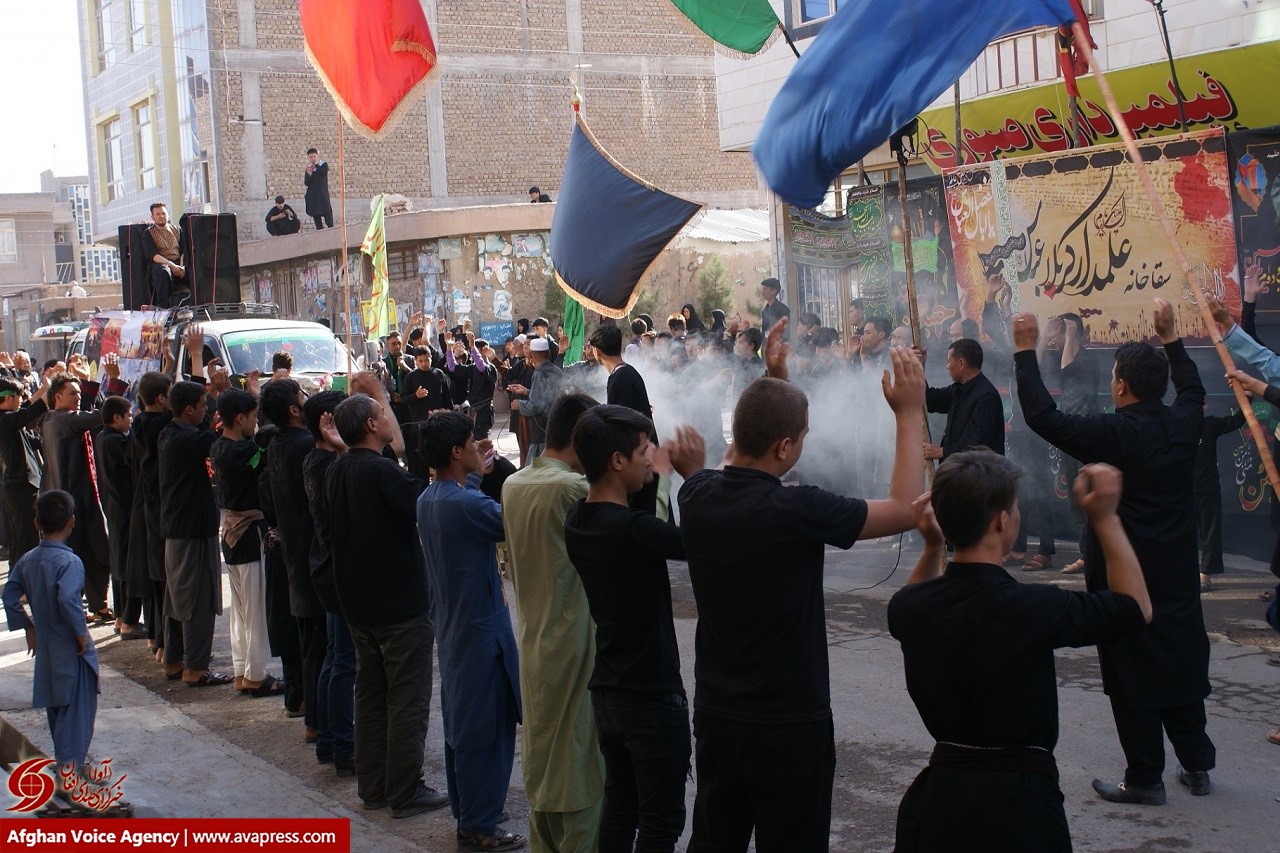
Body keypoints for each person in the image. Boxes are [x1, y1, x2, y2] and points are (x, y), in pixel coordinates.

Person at [678, 347, 926, 851]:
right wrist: (908, 412)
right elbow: (906, 508)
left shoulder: (696, 494)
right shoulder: (797, 509)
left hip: (718, 714)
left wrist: (775, 382)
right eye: (802, 437)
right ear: (786, 447)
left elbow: (733, 461)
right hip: (788, 722)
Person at [888, 454, 1152, 850]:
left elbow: (910, 602)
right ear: (1001, 521)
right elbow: (1136, 609)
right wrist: (1106, 519)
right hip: (1021, 808)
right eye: (1014, 507)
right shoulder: (1032, 608)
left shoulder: (911, 608)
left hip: (940, 804)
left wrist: (932, 547)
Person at [1013, 301, 1215, 805]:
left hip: (1124, 573)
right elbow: (1193, 389)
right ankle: (1197, 765)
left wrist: (1023, 352)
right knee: (1181, 658)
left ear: (1120, 386)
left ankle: (1145, 777)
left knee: (1130, 668)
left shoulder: (1112, 433)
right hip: (1177, 569)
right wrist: (1171, 339)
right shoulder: (1184, 422)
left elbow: (1041, 416)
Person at [565, 407, 706, 852]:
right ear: (617, 460)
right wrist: (688, 476)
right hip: (650, 696)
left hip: (609, 692)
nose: (652, 457)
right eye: (645, 450)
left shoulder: (578, 519)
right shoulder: (630, 529)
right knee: (661, 823)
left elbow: (644, 527)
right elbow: (688, 541)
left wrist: (655, 477)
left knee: (621, 809)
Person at [327, 388, 448, 818]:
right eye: (382, 412)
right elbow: (423, 503)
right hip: (397, 605)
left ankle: (375, 784)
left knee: (372, 694)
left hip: (359, 603)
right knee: (406, 698)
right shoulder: (379, 471)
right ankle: (404, 788)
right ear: (371, 425)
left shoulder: (339, 469)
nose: (388, 418)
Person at [416, 412, 526, 852]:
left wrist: (477, 473)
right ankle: (479, 824)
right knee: (487, 729)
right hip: (481, 631)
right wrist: (495, 472)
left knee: (463, 724)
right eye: (470, 442)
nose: (476, 447)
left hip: (454, 627)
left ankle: (470, 811)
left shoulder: (429, 498)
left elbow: (470, 503)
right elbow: (513, 520)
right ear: (456, 451)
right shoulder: (466, 505)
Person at [501, 393, 602, 851]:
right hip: (575, 641)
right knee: (580, 763)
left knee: (544, 755)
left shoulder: (514, 484)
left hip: (535, 640)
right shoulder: (572, 489)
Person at [3, 491, 101, 790]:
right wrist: (81, 634)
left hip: (46, 648)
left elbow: (9, 596)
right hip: (71, 648)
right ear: (72, 521)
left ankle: (67, 767)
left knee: (57, 713)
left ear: (36, 523)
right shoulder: (70, 562)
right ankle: (69, 777)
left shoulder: (27, 560)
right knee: (77, 714)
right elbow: (68, 599)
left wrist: (27, 627)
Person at [263, 379, 327, 743]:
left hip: (293, 551)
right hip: (309, 554)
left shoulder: (277, 443)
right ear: (293, 410)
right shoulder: (303, 445)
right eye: (302, 397)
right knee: (318, 643)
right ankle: (316, 720)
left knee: (308, 638)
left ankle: (306, 706)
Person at [158, 377, 232, 686]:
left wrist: (213, 393)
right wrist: (225, 395)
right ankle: (196, 667)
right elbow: (218, 435)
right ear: (189, 410)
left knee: (177, 598)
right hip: (193, 529)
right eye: (202, 406)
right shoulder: (188, 440)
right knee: (197, 599)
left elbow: (206, 430)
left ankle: (174, 660)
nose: (205, 411)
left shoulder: (169, 433)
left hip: (178, 527)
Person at [209, 389, 279, 697]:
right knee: (255, 609)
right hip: (249, 532)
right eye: (252, 417)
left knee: (240, 610)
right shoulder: (245, 452)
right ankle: (255, 674)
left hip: (231, 533)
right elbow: (261, 461)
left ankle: (243, 670)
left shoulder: (218, 446)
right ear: (240, 418)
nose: (255, 423)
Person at [301, 390, 356, 775]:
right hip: (335, 568)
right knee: (342, 661)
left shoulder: (317, 459)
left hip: (326, 565)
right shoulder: (325, 463)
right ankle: (341, 745)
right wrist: (343, 449)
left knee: (335, 657)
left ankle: (328, 740)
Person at [41, 367, 117, 624]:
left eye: (78, 392)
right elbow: (100, 415)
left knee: (94, 551)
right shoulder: (67, 420)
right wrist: (114, 382)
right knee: (77, 555)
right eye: (72, 393)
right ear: (57, 397)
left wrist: (89, 383)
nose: (77, 397)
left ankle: (98, 605)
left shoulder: (50, 419)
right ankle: (72, 607)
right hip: (73, 501)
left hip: (76, 498)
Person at [126, 370, 174, 661]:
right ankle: (167, 644)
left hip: (147, 507)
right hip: (162, 509)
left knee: (157, 579)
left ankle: (157, 638)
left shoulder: (139, 425)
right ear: (160, 399)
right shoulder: (163, 426)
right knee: (168, 579)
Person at [94, 394, 145, 638]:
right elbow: (134, 455)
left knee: (120, 564)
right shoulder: (116, 441)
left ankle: (120, 618)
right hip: (125, 509)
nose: (131, 421)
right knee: (129, 566)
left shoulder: (103, 437)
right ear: (117, 418)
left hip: (115, 509)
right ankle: (129, 621)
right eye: (129, 417)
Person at [923, 338, 1005, 460]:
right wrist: (919, 368)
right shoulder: (957, 389)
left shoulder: (986, 397)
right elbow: (929, 401)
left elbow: (977, 445)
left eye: (949, 361)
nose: (947, 366)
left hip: (980, 470)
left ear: (961, 363)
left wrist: (942, 452)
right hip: (958, 469)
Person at [0, 372, 49, 566]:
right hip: (20, 486)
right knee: (26, 540)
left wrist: (43, 389)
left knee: (21, 539)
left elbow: (27, 410)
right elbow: (31, 411)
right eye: (19, 397)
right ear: (8, 398)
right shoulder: (5, 420)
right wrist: (49, 391)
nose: (22, 401)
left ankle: (18, 579)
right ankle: (23, 581)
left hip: (21, 485)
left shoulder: (11, 420)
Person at [507, 336, 562, 461]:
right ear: (548, 353)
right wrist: (526, 391)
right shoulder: (556, 370)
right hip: (554, 425)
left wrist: (519, 404)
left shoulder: (538, 373)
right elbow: (547, 396)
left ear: (531, 355)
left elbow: (536, 406)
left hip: (541, 430)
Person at [402, 346, 452, 478]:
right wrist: (415, 396)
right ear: (416, 361)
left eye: (426, 360)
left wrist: (450, 415)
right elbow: (404, 398)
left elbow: (447, 398)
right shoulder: (411, 377)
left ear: (431, 358)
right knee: (419, 459)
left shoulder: (439, 374)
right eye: (421, 361)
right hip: (419, 425)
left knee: (440, 456)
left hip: (438, 424)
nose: (424, 363)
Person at [140, 202, 187, 308]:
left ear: (168, 215)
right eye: (158, 214)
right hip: (161, 264)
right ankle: (163, 307)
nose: (161, 216)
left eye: (163, 213)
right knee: (163, 272)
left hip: (178, 262)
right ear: (153, 217)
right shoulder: (148, 233)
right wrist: (172, 266)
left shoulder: (177, 230)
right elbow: (154, 256)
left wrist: (181, 267)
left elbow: (183, 251)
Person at [304, 148, 333, 229]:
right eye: (311, 157)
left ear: (317, 156)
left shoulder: (323, 164)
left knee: (328, 217)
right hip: (313, 196)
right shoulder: (309, 168)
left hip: (323, 195)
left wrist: (317, 165)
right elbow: (306, 183)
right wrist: (309, 174)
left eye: (314, 156)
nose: (313, 159)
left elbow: (323, 172)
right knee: (317, 218)